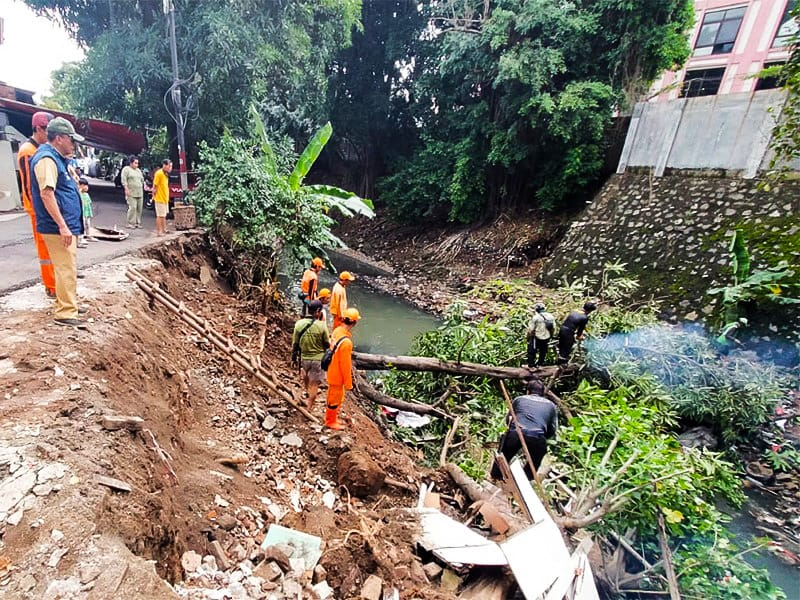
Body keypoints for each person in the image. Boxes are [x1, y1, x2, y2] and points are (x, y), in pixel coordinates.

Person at [30, 117, 87, 328]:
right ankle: (65, 312)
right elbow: (47, 194)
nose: (74, 145)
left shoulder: (58, 158)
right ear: (60, 138)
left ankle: (69, 303)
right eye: (72, 140)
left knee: (67, 266)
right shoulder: (46, 159)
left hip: (64, 224)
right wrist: (62, 225)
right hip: (56, 226)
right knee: (66, 268)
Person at [17, 111, 56, 298]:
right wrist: (40, 210)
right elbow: (28, 186)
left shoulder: (39, 150)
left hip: (45, 207)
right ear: (39, 129)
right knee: (45, 248)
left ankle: (56, 279)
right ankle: (51, 285)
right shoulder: (28, 151)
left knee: (53, 246)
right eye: (49, 131)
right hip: (38, 209)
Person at [490, 380, 558, 481]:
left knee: (504, 454)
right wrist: (542, 437)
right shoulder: (551, 405)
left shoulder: (519, 399)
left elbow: (509, 419)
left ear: (527, 391)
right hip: (537, 435)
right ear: (543, 393)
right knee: (535, 459)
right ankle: (526, 479)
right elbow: (552, 429)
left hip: (516, 432)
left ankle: (495, 477)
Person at [325, 307, 360, 430]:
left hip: (332, 369)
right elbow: (345, 365)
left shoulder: (337, 330)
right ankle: (330, 421)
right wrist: (348, 383)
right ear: (354, 323)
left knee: (337, 397)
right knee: (334, 399)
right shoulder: (346, 343)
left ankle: (333, 418)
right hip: (337, 375)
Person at [292, 300, 330, 409]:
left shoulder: (299, 324)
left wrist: (293, 358)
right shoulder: (322, 326)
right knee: (314, 384)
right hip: (318, 360)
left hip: (304, 358)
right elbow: (327, 344)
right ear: (317, 311)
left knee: (306, 375)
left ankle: (306, 390)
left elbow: (295, 343)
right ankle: (309, 407)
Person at [526, 302, 556, 367]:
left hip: (537, 338)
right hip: (547, 338)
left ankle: (531, 365)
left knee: (531, 351)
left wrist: (528, 338)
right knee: (543, 352)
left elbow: (531, 330)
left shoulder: (536, 317)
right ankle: (540, 364)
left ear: (536, 310)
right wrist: (551, 336)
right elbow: (553, 328)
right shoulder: (551, 316)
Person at [121, 155, 145, 229]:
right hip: (131, 192)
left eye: (137, 163)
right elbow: (124, 180)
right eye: (135, 163)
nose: (137, 165)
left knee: (139, 208)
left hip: (139, 192)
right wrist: (126, 189)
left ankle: (138, 222)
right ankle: (130, 222)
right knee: (133, 207)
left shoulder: (138, 170)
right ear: (131, 163)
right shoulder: (126, 169)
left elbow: (142, 180)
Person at [152, 159, 172, 235]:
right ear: (165, 165)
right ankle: (159, 231)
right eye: (169, 166)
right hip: (159, 198)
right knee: (160, 215)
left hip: (164, 198)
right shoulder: (159, 173)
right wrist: (154, 196)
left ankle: (164, 229)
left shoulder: (165, 174)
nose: (170, 168)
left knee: (163, 215)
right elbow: (155, 186)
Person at [77, 177, 94, 248]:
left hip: (87, 213)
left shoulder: (86, 195)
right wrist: (80, 190)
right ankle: (81, 238)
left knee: (88, 224)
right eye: (84, 185)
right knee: (82, 225)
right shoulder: (79, 194)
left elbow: (89, 204)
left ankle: (88, 235)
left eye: (87, 186)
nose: (86, 187)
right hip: (82, 213)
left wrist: (90, 213)